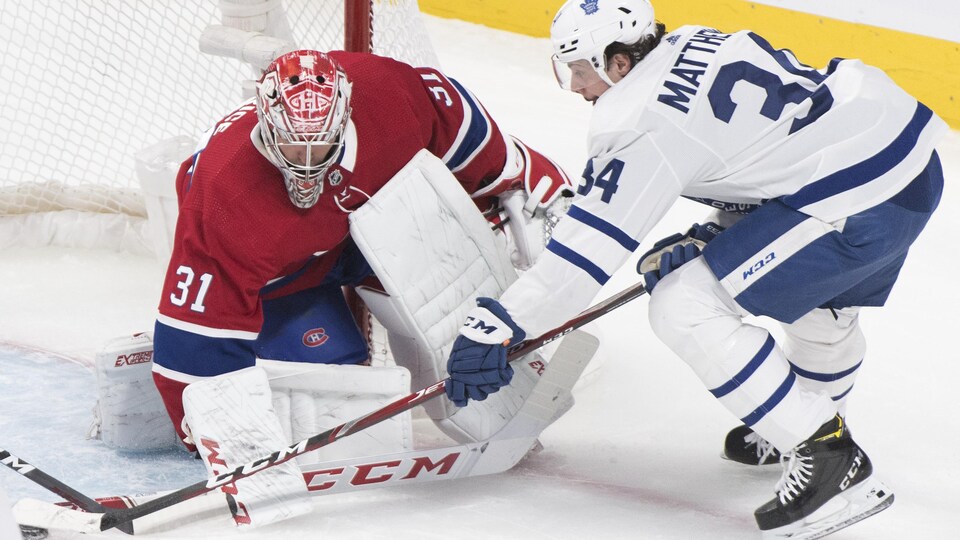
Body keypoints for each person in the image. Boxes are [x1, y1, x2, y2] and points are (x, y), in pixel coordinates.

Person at [444, 1, 947, 538]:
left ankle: (825, 455)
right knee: (820, 308)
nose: (573, 85)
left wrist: (499, 324)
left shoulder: (639, 122)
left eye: (581, 68)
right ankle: (803, 420)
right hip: (903, 160)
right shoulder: (692, 39)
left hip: (855, 202)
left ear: (618, 63)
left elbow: (582, 256)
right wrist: (716, 230)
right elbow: (767, 148)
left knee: (684, 303)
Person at [151, 49, 573, 453]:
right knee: (336, 385)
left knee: (448, 313)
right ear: (265, 121)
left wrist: (515, 173)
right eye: (296, 146)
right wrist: (211, 434)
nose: (309, 161)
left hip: (372, 226)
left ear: (346, 113)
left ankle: (501, 407)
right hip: (285, 274)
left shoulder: (383, 92)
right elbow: (197, 336)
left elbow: (451, 113)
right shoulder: (226, 198)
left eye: (323, 143)